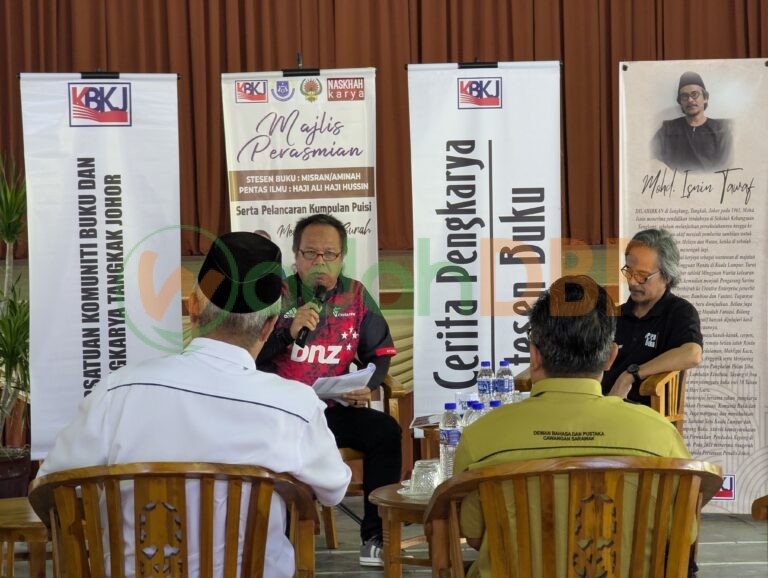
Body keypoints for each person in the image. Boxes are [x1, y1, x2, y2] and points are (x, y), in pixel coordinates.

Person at [37, 232, 352, 578]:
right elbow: (334, 488)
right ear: (269, 326)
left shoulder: (118, 393)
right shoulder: (293, 407)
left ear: (193, 308)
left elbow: (51, 483)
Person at [453, 275, 692, 578]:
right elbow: (684, 533)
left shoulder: (481, 436)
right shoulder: (660, 436)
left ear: (534, 356)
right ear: (611, 357)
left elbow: (473, 536)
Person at [257, 213, 401, 567]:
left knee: (385, 431)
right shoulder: (275, 295)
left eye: (329, 254)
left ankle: (375, 536)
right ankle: (279, 543)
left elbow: (380, 354)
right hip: (284, 415)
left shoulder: (356, 295)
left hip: (333, 411)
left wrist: (368, 385)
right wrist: (287, 333)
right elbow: (251, 355)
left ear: (342, 258)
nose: (320, 262)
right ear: (296, 256)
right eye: (310, 253)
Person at [602, 228, 703, 404]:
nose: (632, 282)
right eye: (629, 271)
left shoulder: (679, 312)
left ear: (667, 276)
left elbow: (693, 354)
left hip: (647, 413)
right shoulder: (613, 315)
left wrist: (631, 375)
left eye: (642, 276)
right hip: (604, 408)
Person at [651, 70, 733, 172]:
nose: (690, 100)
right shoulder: (667, 129)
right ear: (681, 102)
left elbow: (727, 166)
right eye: (684, 96)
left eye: (694, 94)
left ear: (705, 98)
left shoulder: (721, 129)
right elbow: (648, 155)